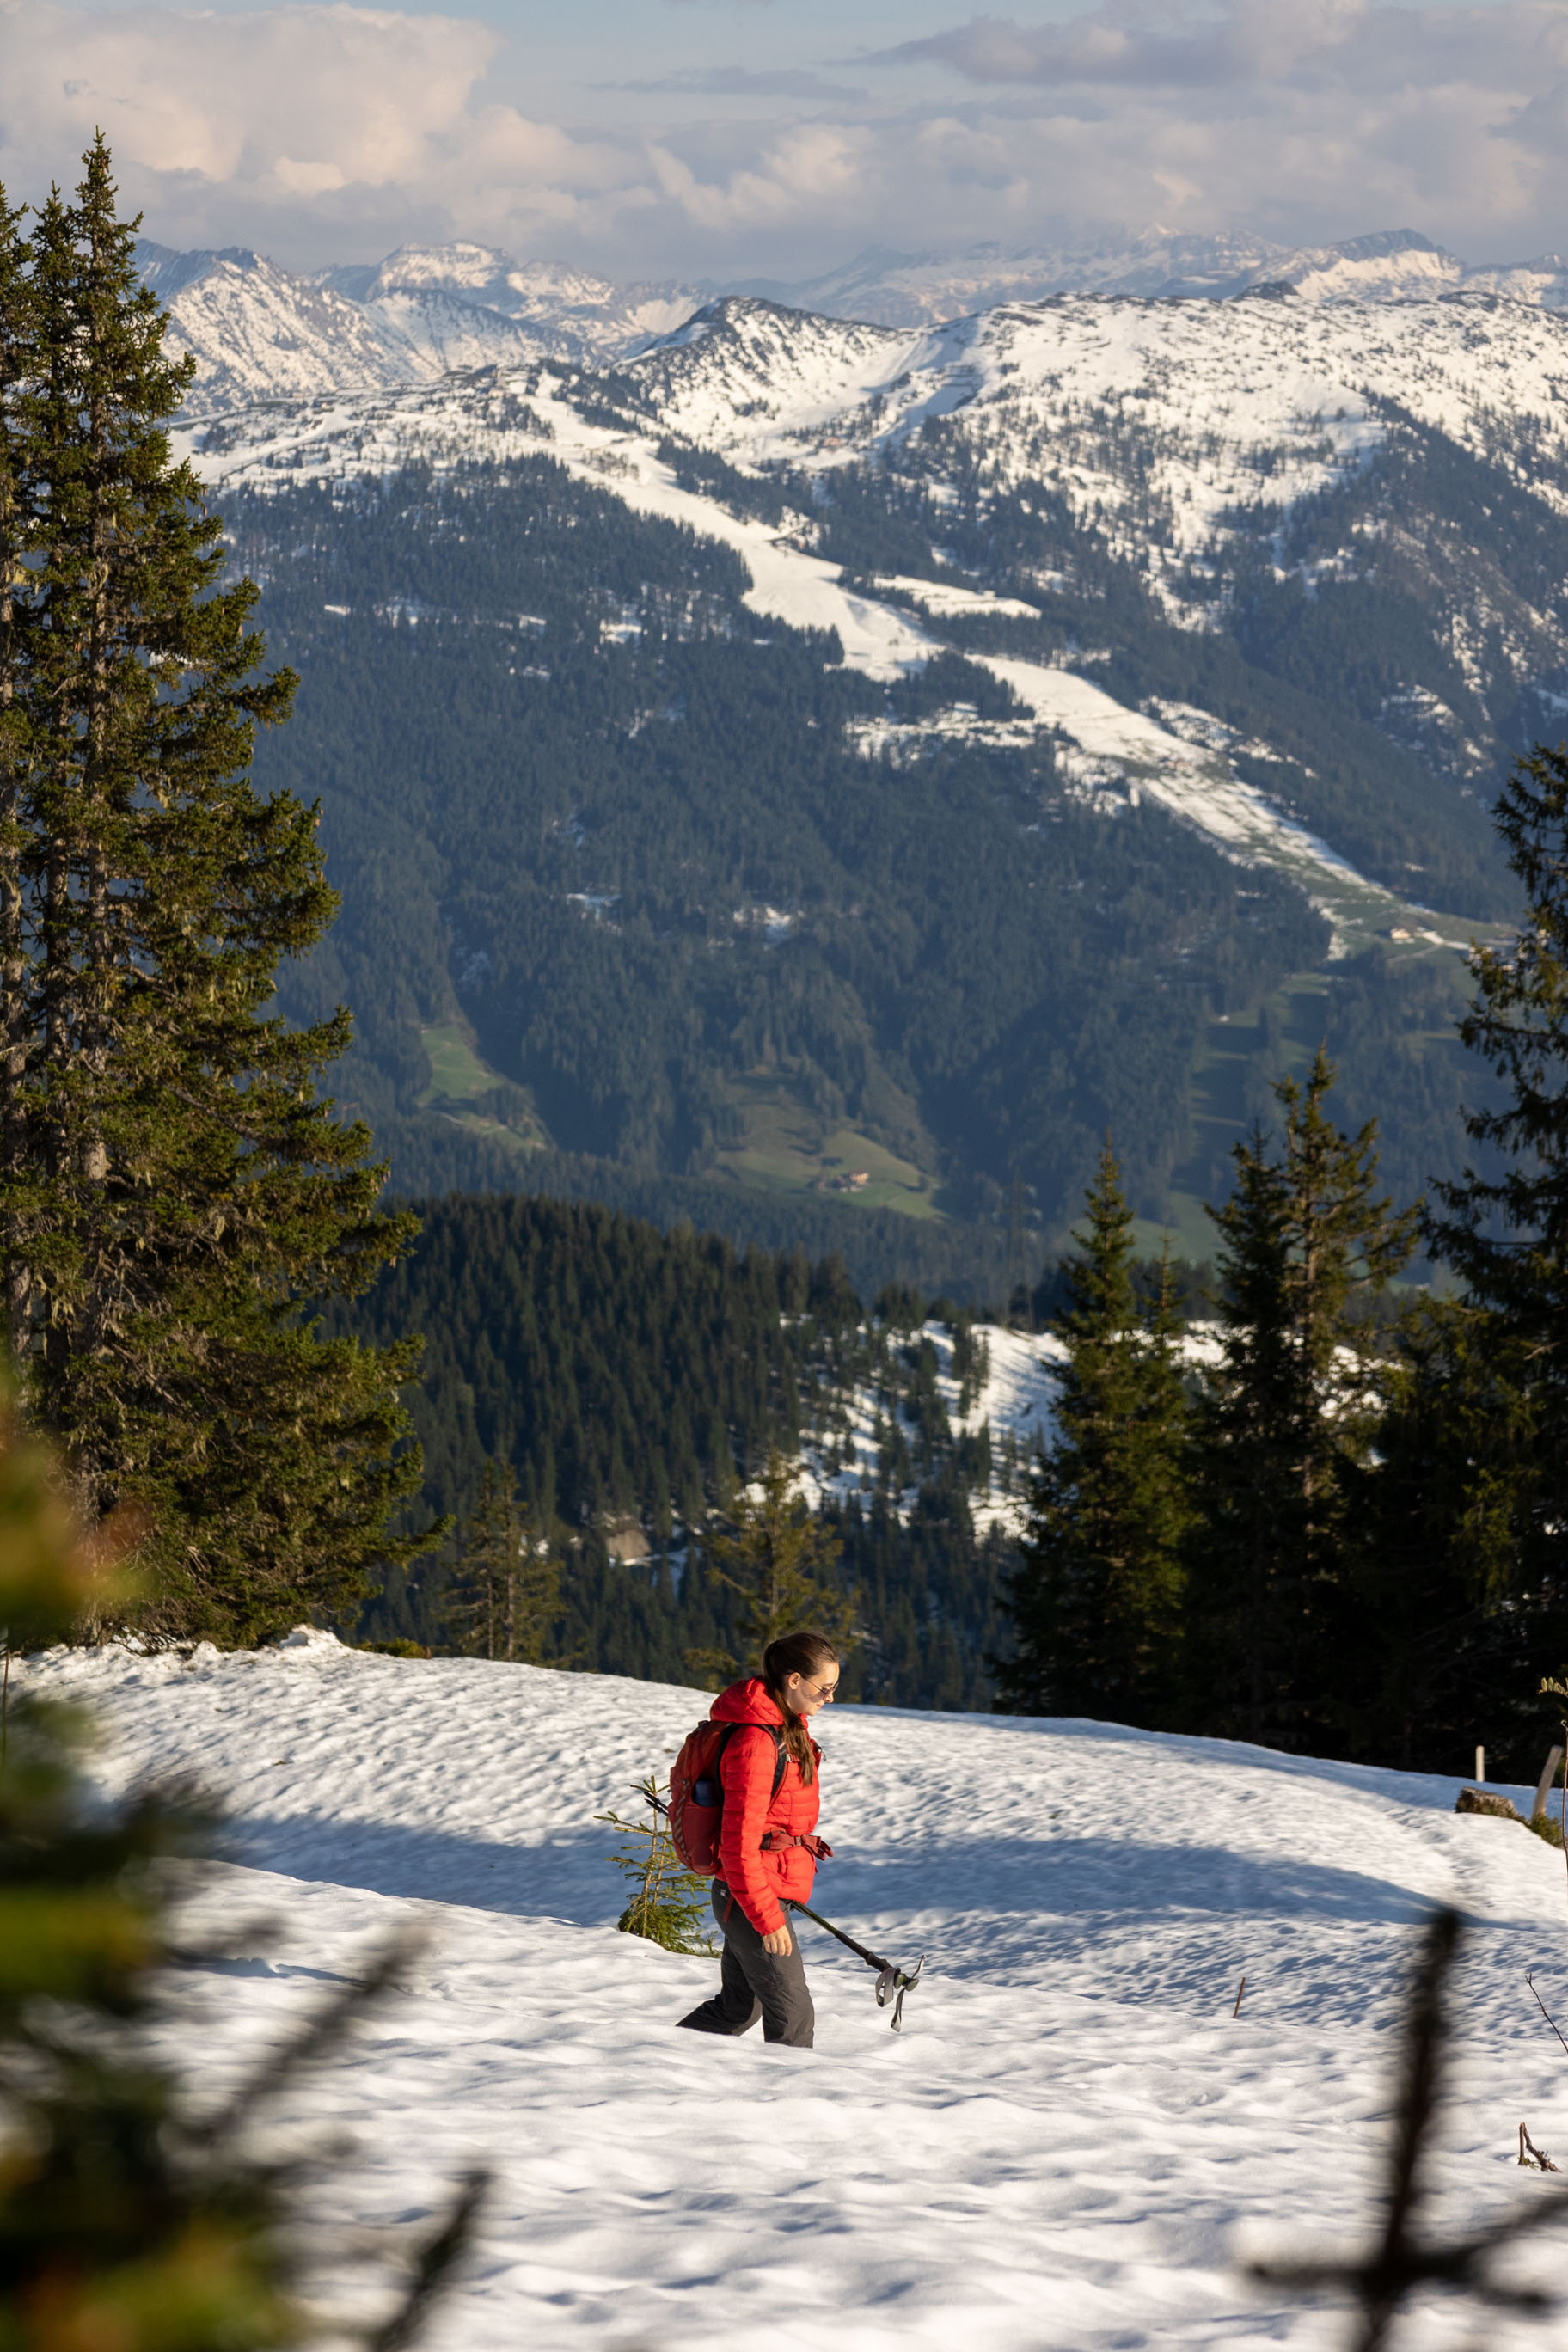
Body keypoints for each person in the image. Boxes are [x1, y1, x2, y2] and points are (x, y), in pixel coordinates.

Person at [677, 1629, 839, 2049]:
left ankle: (657, 2060)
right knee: (793, 2015)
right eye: (825, 1688)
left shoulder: (786, 1729)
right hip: (749, 1896)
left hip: (755, 1891)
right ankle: (789, 2106)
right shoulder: (756, 1744)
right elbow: (738, 1844)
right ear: (794, 1681)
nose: (830, 1698)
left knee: (739, 2007)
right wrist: (767, 1918)